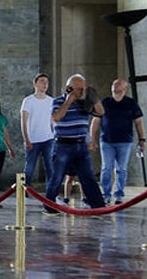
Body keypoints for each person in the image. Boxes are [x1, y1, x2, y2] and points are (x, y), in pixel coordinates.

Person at [42, 73, 105, 213]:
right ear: (68, 88)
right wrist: (69, 101)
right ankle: (49, 206)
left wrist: (93, 98)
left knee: (88, 176)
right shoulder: (58, 101)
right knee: (57, 177)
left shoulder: (85, 104)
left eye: (83, 88)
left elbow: (101, 112)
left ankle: (98, 206)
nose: (81, 92)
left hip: (80, 145)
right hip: (62, 146)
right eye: (78, 89)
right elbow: (56, 118)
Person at [91, 78, 145, 205]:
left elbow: (139, 122)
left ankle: (119, 194)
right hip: (107, 141)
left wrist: (142, 139)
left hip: (125, 141)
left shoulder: (131, 103)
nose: (115, 86)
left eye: (118, 84)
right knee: (106, 168)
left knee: (122, 169)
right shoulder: (104, 102)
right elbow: (95, 121)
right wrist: (92, 138)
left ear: (125, 89)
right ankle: (106, 194)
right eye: (114, 84)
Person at [20, 73, 54, 187]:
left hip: (48, 138)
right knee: (29, 168)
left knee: (50, 167)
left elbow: (53, 121)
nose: (45, 84)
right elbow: (23, 121)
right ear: (35, 84)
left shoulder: (51, 101)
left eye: (46, 82)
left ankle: (51, 193)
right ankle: (25, 192)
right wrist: (26, 139)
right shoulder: (28, 101)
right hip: (33, 139)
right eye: (42, 82)